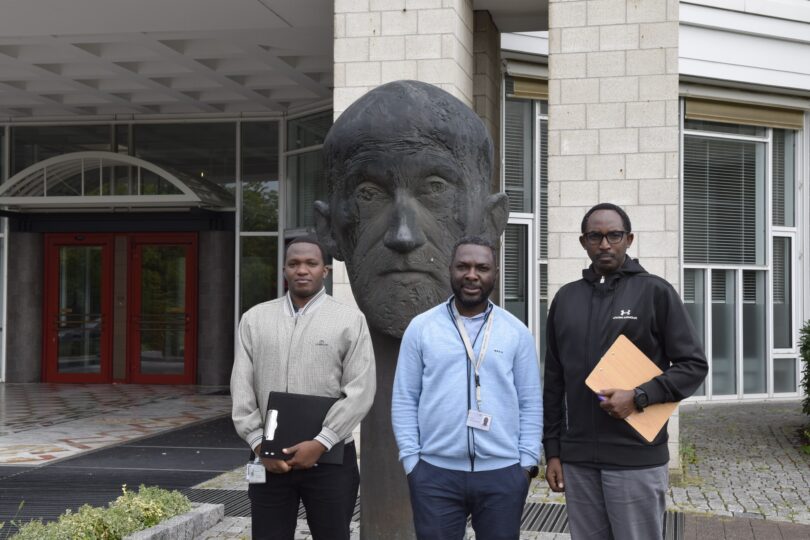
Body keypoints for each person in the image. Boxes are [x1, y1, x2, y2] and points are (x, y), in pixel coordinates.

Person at [543, 203, 708, 539]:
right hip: (578, 460)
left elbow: (694, 366)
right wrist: (554, 451)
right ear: (583, 241)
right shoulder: (565, 298)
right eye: (595, 236)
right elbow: (554, 382)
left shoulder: (655, 292)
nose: (605, 244)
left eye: (614, 235)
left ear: (629, 239)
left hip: (637, 457)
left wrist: (639, 396)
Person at [315, 80, 508, 338]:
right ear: (329, 229)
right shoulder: (321, 357)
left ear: (490, 222)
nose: (403, 235)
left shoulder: (513, 343)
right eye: (369, 194)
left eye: (436, 189)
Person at [392, 236, 542, 540]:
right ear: (450, 270)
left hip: (502, 474)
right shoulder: (421, 328)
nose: (471, 275)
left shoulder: (517, 331)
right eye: (463, 266)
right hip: (435, 472)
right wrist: (412, 462)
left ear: (495, 273)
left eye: (481, 267)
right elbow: (405, 398)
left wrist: (525, 464)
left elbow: (530, 401)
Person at [230, 235, 375, 540]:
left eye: (311, 263)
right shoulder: (255, 319)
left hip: (331, 459)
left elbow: (360, 390)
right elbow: (242, 388)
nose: (302, 270)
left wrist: (321, 442)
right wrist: (258, 444)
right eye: (294, 263)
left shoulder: (350, 320)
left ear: (326, 270)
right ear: (284, 269)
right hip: (269, 459)